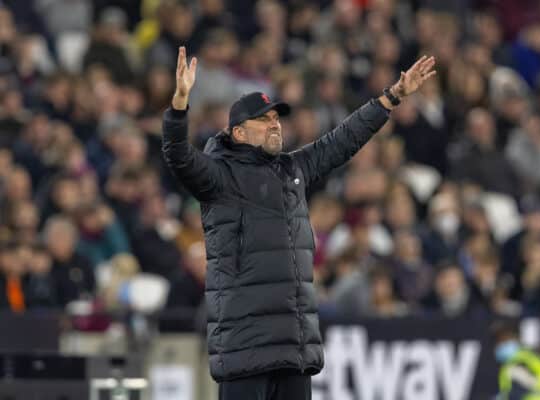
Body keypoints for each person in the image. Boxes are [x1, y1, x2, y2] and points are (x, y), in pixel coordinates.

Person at [162, 46, 435, 400]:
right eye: (264, 119)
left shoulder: (293, 169)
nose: (275, 123)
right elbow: (178, 156)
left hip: (293, 347)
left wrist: (392, 96)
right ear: (239, 133)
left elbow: (343, 141)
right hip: (245, 348)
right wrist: (180, 104)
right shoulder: (218, 176)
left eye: (277, 117)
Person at [492, 320, 540, 400]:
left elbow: (517, 392)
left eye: (503, 340)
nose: (499, 345)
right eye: (498, 342)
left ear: (515, 338)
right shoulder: (532, 356)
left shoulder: (515, 363)